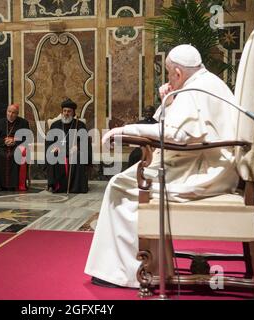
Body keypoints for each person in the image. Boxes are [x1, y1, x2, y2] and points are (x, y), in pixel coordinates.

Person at [85, 44, 240, 288]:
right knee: (128, 179)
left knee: (121, 186)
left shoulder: (196, 88)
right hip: (208, 164)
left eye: (169, 74)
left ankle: (130, 272)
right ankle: (152, 264)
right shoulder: (208, 82)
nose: (168, 79)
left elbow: (177, 134)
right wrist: (167, 101)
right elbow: (183, 127)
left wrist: (126, 129)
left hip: (204, 173)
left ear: (177, 72)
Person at [45, 98, 92, 193]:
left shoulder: (80, 125)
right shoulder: (55, 125)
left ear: (73, 113)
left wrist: (77, 147)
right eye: (64, 111)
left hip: (73, 152)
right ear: (62, 112)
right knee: (53, 155)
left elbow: (85, 141)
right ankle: (56, 185)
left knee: (79, 156)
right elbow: (49, 140)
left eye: (69, 111)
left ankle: (76, 187)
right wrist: (53, 147)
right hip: (59, 151)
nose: (66, 113)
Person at [0, 104, 30, 191]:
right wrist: (4, 141)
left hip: (17, 146)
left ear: (17, 114)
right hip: (3, 146)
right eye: (9, 112)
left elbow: (28, 138)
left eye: (13, 113)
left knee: (14, 155)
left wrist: (15, 141)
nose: (10, 114)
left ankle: (13, 184)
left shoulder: (23, 123)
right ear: (6, 112)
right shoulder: (0, 122)